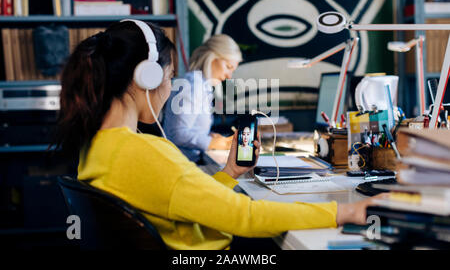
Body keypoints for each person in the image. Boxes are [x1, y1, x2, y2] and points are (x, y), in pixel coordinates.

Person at [55, 20, 383, 250]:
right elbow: (246, 216)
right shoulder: (146, 152)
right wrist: (345, 211)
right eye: (169, 77)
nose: (169, 90)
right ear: (147, 76)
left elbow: (179, 200)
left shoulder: (96, 147)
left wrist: (228, 173)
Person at [163, 34, 242, 163]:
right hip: (180, 164)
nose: (229, 76)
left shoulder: (203, 85)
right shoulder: (193, 85)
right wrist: (213, 143)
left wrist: (208, 137)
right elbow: (177, 134)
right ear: (212, 57)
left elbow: (189, 128)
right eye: (228, 67)